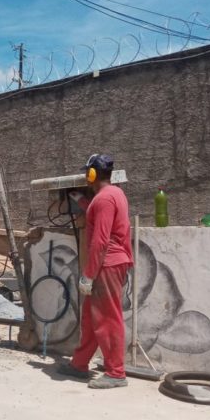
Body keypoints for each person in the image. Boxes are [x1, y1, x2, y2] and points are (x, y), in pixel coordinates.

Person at [58, 154, 133, 388]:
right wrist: (82, 202)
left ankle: (116, 373)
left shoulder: (103, 200)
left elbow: (100, 241)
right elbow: (100, 215)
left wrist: (88, 275)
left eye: (86, 173)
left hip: (106, 264)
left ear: (91, 174)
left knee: (108, 319)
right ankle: (79, 364)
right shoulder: (113, 194)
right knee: (91, 317)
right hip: (109, 262)